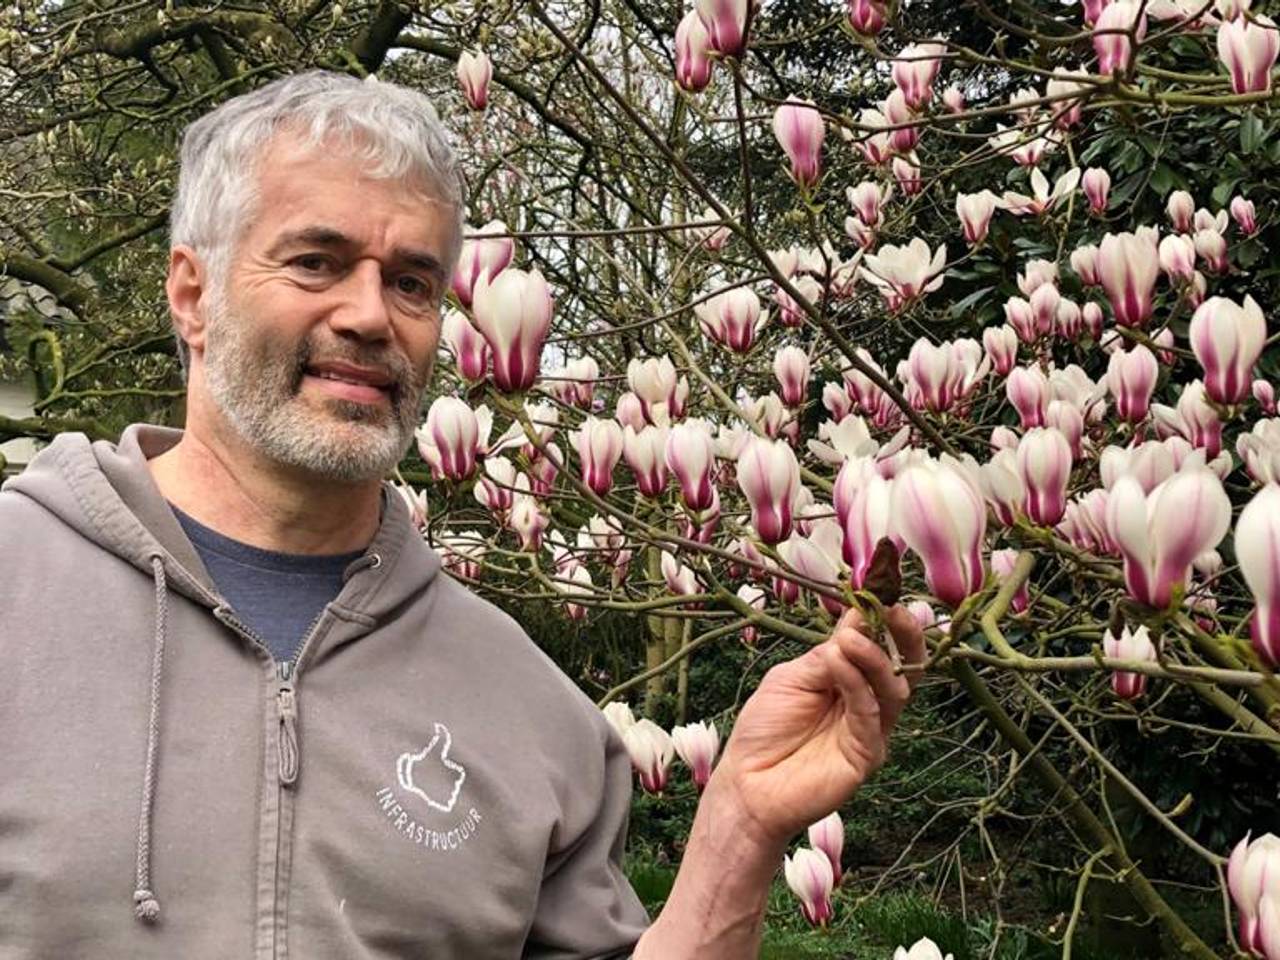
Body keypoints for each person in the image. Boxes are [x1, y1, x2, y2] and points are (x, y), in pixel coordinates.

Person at [0, 71, 924, 959]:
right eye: (316, 261)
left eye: (411, 282)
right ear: (193, 295)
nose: (369, 315)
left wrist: (741, 829)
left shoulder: (531, 709)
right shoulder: (18, 588)